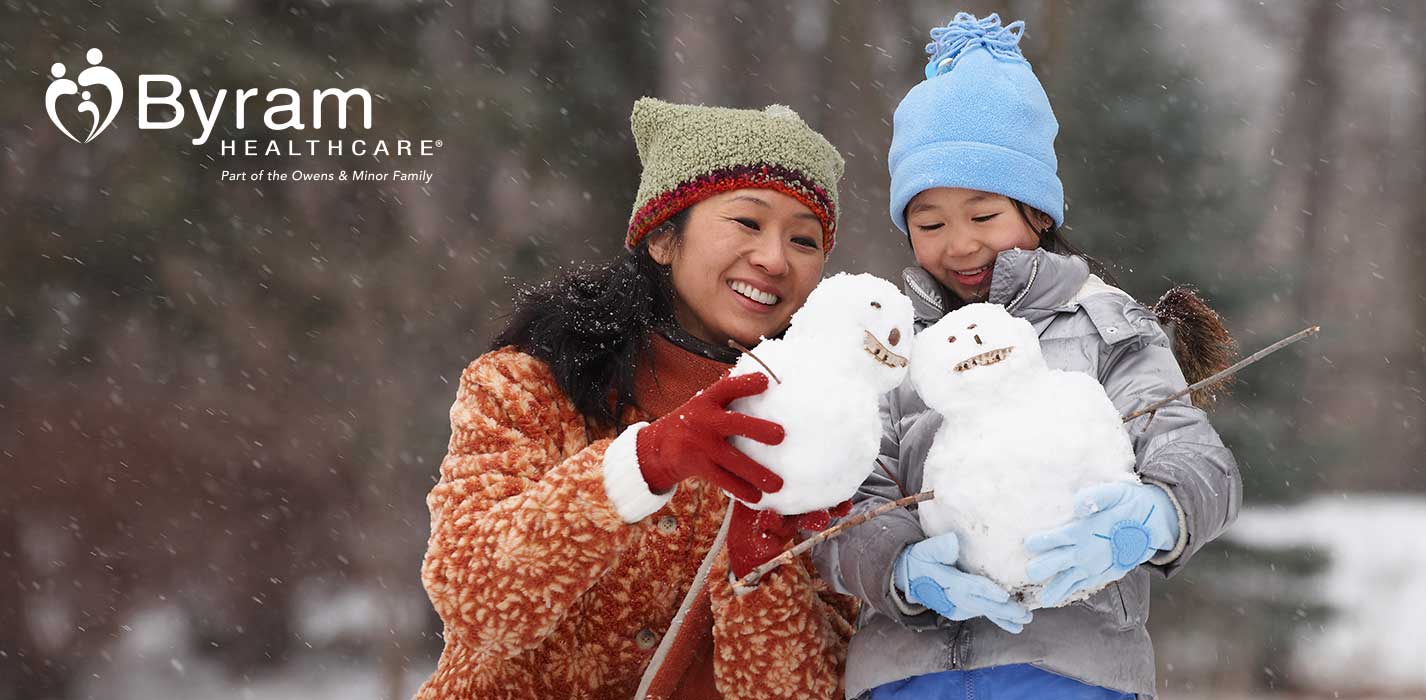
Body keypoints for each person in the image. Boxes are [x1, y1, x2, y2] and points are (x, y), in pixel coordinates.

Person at [814, 13, 1242, 700]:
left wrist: (1154, 515)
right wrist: (899, 566)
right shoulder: (890, 348)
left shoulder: (1105, 324)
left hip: (1068, 671)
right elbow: (845, 505)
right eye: (930, 224)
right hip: (906, 677)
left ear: (1038, 212)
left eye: (984, 216)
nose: (959, 245)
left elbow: (1197, 460)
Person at [417, 98, 856, 700]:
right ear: (662, 238)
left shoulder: (825, 436)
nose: (774, 259)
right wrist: (642, 464)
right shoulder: (528, 384)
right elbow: (474, 601)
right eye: (748, 223)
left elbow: (811, 689)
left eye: (804, 240)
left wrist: (761, 572)